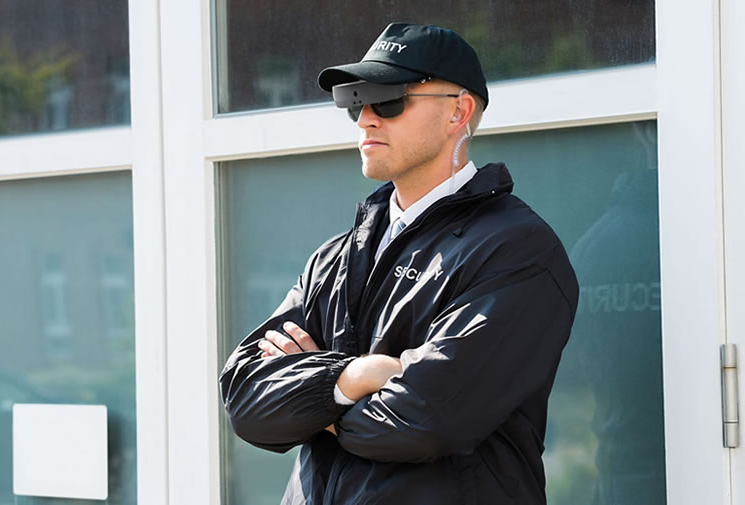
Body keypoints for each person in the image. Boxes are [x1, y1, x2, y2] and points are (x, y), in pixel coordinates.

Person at [220, 22, 579, 505]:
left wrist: (310, 400)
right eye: (354, 100)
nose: (366, 118)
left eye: (388, 99)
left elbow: (422, 423)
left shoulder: (517, 251)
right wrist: (355, 379)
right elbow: (247, 401)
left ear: (459, 111)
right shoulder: (335, 258)